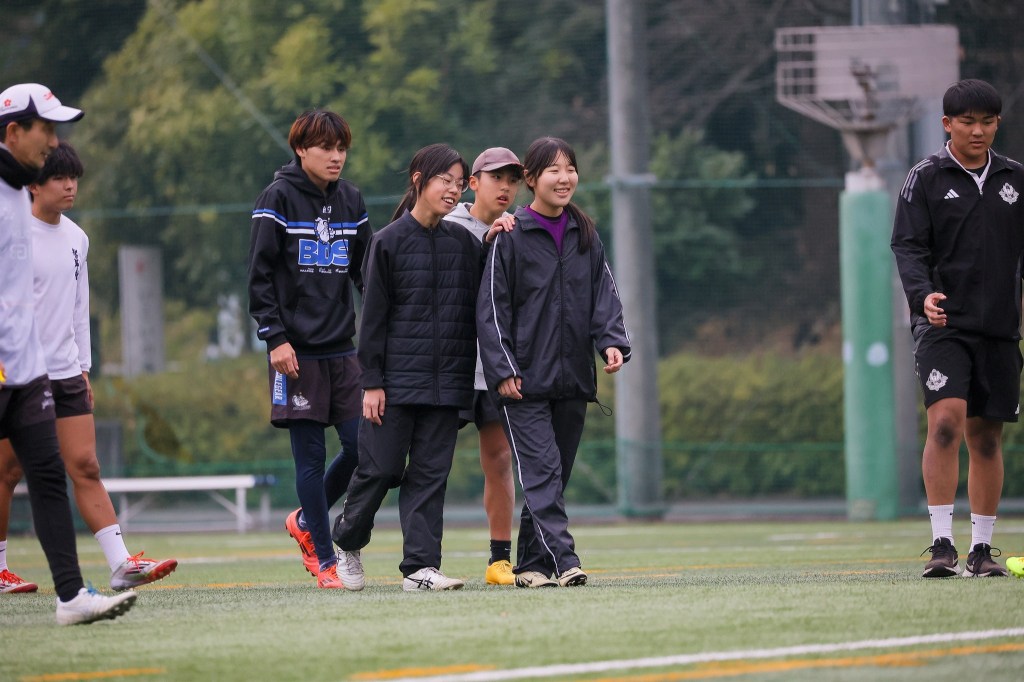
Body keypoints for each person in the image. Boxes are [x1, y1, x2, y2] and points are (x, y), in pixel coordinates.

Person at [0, 141, 178, 594]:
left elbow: (80, 308)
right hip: (18, 373)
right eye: (59, 178)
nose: (70, 186)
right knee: (8, 471)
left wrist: (83, 367)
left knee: (86, 464)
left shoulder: (78, 238)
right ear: (33, 185)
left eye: (74, 178)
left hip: (65, 373)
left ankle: (122, 564)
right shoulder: (12, 233)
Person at [0, 82, 137, 623]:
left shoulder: (24, 199)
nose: (55, 143)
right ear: (14, 131)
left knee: (51, 475)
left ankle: (72, 596)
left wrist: (76, 365)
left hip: (31, 371)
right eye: (46, 129)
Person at [477, 136, 630, 588]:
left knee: (551, 478)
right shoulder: (510, 236)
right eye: (553, 170)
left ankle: (531, 566)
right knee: (542, 474)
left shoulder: (586, 234)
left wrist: (612, 341)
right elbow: (491, 310)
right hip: (523, 384)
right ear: (531, 179)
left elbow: (604, 295)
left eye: (570, 169)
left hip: (573, 379)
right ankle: (566, 560)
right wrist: (504, 370)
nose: (564, 179)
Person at [331, 143, 483, 592]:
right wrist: (372, 382)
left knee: (430, 478)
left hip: (447, 385)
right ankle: (347, 542)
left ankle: (420, 568)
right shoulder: (387, 242)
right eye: (445, 180)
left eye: (459, 183)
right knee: (379, 470)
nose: (453, 190)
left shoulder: (465, 245)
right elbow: (373, 319)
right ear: (419, 179)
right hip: (393, 385)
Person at [891, 78, 1023, 578]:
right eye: (967, 122)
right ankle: (942, 544)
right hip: (942, 324)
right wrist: (922, 296)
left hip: (1000, 328)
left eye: (987, 122)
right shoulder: (924, 177)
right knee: (946, 422)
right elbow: (907, 246)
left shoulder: (1015, 178)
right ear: (947, 124)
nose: (978, 131)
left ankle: (981, 551)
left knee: (986, 438)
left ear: (998, 124)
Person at [248, 109, 372, 589]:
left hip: (344, 351)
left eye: (342, 148)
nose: (336, 156)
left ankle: (303, 519)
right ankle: (324, 560)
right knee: (311, 457)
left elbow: (365, 273)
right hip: (295, 353)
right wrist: (275, 338)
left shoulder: (351, 199)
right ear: (301, 149)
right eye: (326, 148)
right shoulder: (276, 198)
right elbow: (259, 277)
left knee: (363, 449)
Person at [444, 147, 524, 586]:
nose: (505, 187)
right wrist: (485, 243)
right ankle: (419, 557)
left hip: (493, 368)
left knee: (499, 459)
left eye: (513, 179)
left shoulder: (517, 230)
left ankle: (499, 561)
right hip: (450, 367)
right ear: (473, 183)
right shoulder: (449, 225)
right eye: (496, 178)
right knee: (425, 462)